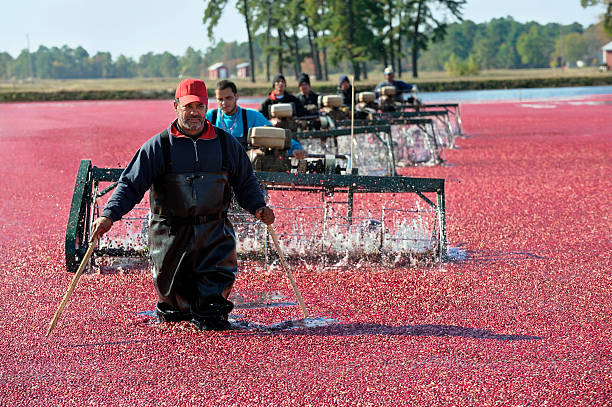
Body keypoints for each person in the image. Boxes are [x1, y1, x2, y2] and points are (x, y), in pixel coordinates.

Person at [90, 78, 275, 331]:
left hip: (214, 237)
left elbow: (246, 182)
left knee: (213, 313)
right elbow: (130, 185)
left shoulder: (225, 144)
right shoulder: (158, 147)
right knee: (174, 315)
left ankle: (216, 361)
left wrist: (258, 207)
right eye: (188, 107)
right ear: (176, 106)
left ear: (207, 107)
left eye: (199, 106)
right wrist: (109, 215)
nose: (194, 113)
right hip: (169, 238)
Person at [207, 80, 306, 159]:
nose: (224, 103)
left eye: (228, 98)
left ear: (236, 96)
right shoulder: (210, 117)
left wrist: (296, 148)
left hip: (244, 168)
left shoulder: (252, 116)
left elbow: (275, 134)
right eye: (220, 99)